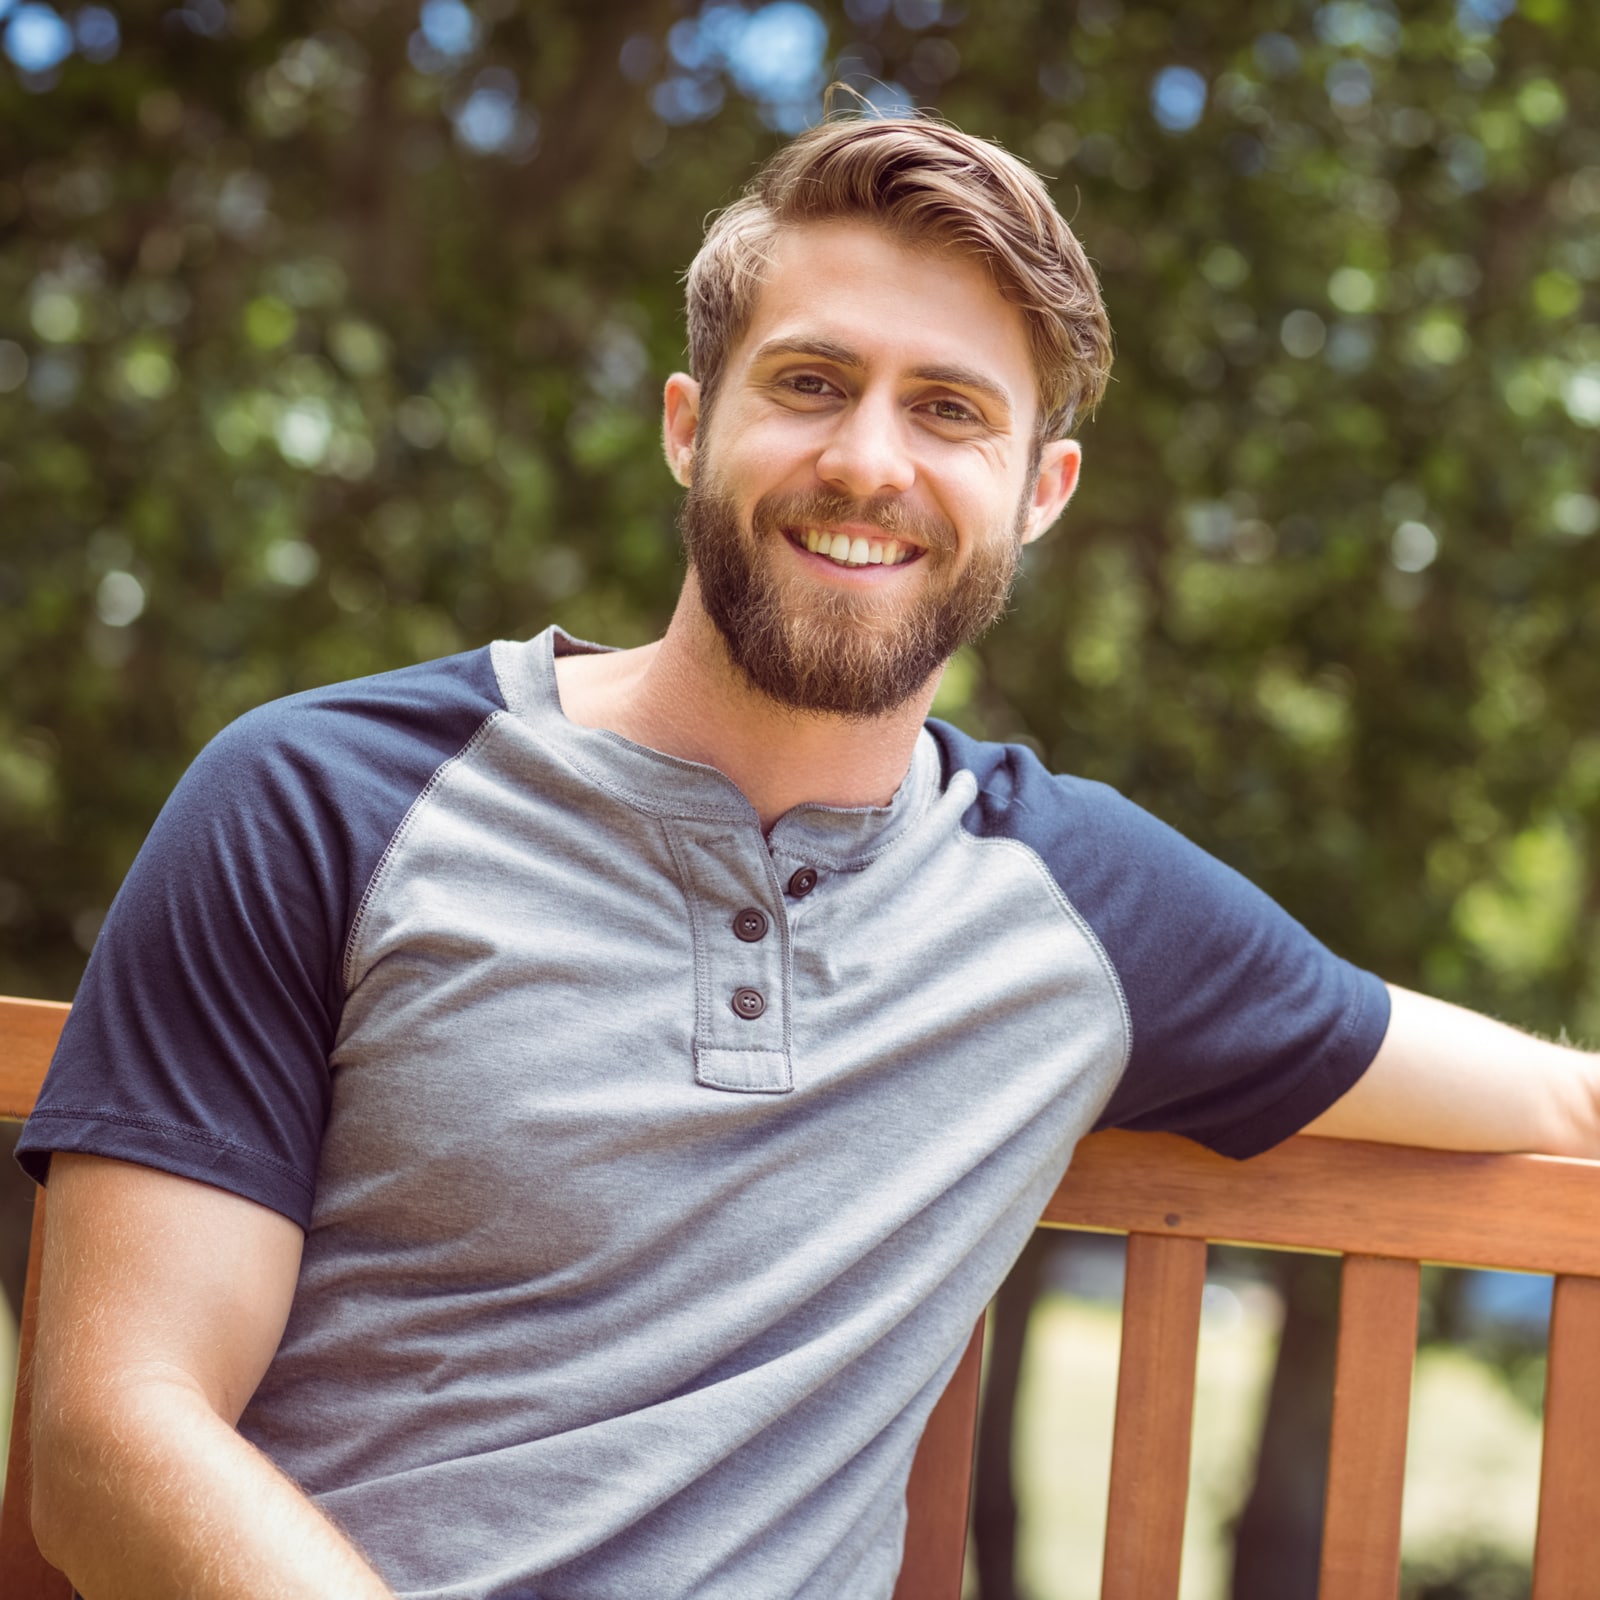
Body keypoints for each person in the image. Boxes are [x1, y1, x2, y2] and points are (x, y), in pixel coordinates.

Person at [17, 114, 1599, 1600]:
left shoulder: (1082, 900)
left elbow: (1552, 1101)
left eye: (952, 409)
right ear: (690, 426)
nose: (869, 461)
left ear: (1038, 494)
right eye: (811, 382)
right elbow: (106, 1438)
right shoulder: (318, 799)